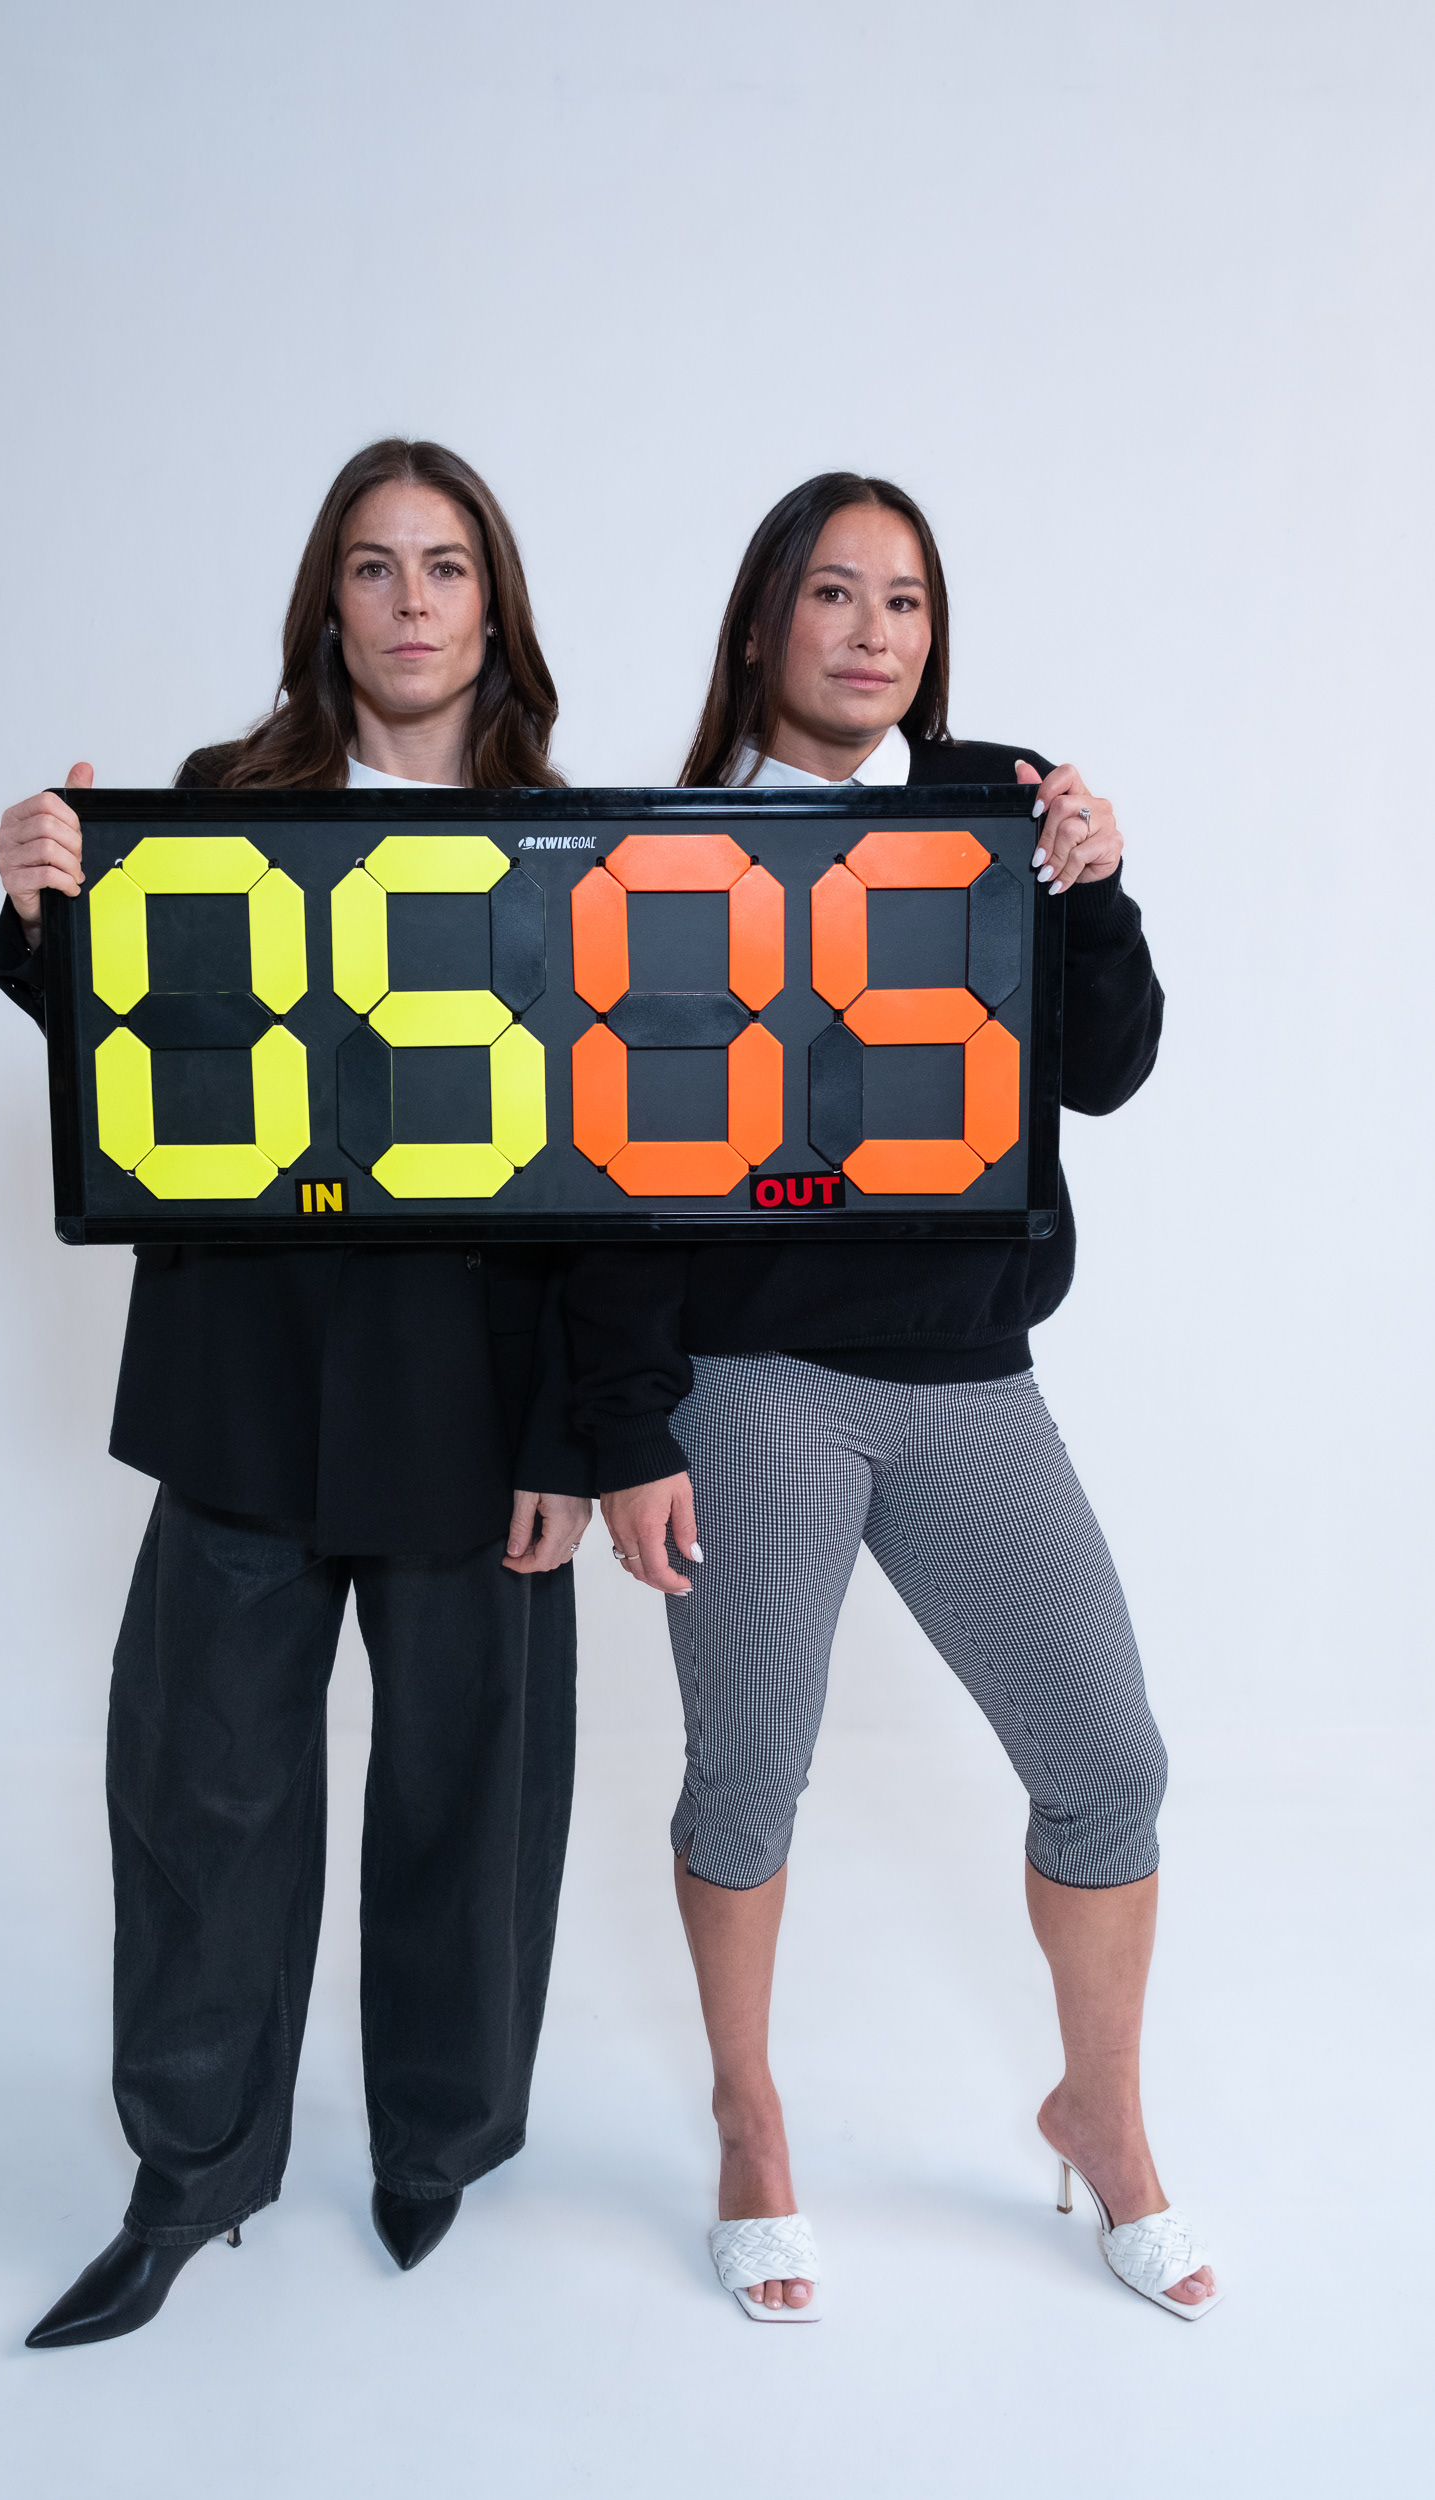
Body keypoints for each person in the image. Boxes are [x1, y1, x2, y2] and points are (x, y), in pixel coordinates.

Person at [566, 472, 1219, 2325]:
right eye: (836, 596)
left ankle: (1101, 2115)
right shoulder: (665, 843)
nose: (873, 633)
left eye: (907, 603)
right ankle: (752, 2118)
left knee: (1110, 1764)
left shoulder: (995, 811)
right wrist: (624, 1430)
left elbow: (1105, 1073)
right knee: (751, 1774)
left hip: (973, 1378)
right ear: (765, 624)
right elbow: (608, 1160)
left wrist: (1095, 885)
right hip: (756, 1384)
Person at [0, 438, 592, 2347]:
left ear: (493, 605)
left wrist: (581, 1438)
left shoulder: (579, 844)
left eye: (444, 564)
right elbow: (121, 1052)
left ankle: (435, 2147)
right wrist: (42, 911)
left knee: (467, 1805)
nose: (411, 599)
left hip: (483, 1408)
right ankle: (190, 2178)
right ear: (324, 603)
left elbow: (620, 1179)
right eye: (371, 565)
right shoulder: (206, 812)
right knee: (204, 1791)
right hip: (246, 1393)